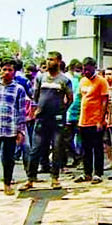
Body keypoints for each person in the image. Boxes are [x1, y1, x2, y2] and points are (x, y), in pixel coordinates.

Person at [19, 51, 72, 191]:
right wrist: (38, 109)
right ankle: (30, 179)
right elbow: (35, 96)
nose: (49, 62)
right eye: (48, 59)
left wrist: (61, 110)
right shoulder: (40, 78)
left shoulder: (64, 80)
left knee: (57, 148)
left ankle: (55, 179)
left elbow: (70, 99)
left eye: (52, 60)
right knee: (35, 149)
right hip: (42, 118)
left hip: (57, 120)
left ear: (59, 62)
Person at [0, 58, 28, 197]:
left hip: (11, 129)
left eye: (10, 70)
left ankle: (7, 184)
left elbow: (21, 111)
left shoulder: (19, 89)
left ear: (15, 72)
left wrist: (20, 131)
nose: (7, 72)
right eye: (4, 69)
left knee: (8, 159)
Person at [75, 57, 109, 184]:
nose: (86, 72)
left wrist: (101, 120)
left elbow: (105, 101)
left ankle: (98, 173)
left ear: (94, 67)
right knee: (86, 148)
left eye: (88, 70)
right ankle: (87, 173)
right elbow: (82, 99)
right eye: (84, 70)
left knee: (97, 148)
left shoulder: (101, 81)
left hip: (96, 121)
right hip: (84, 120)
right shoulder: (82, 81)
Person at [63, 59, 83, 169]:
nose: (79, 72)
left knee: (80, 139)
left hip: (80, 114)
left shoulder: (81, 81)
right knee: (67, 139)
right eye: (77, 70)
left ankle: (79, 159)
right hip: (68, 113)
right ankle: (74, 157)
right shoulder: (67, 79)